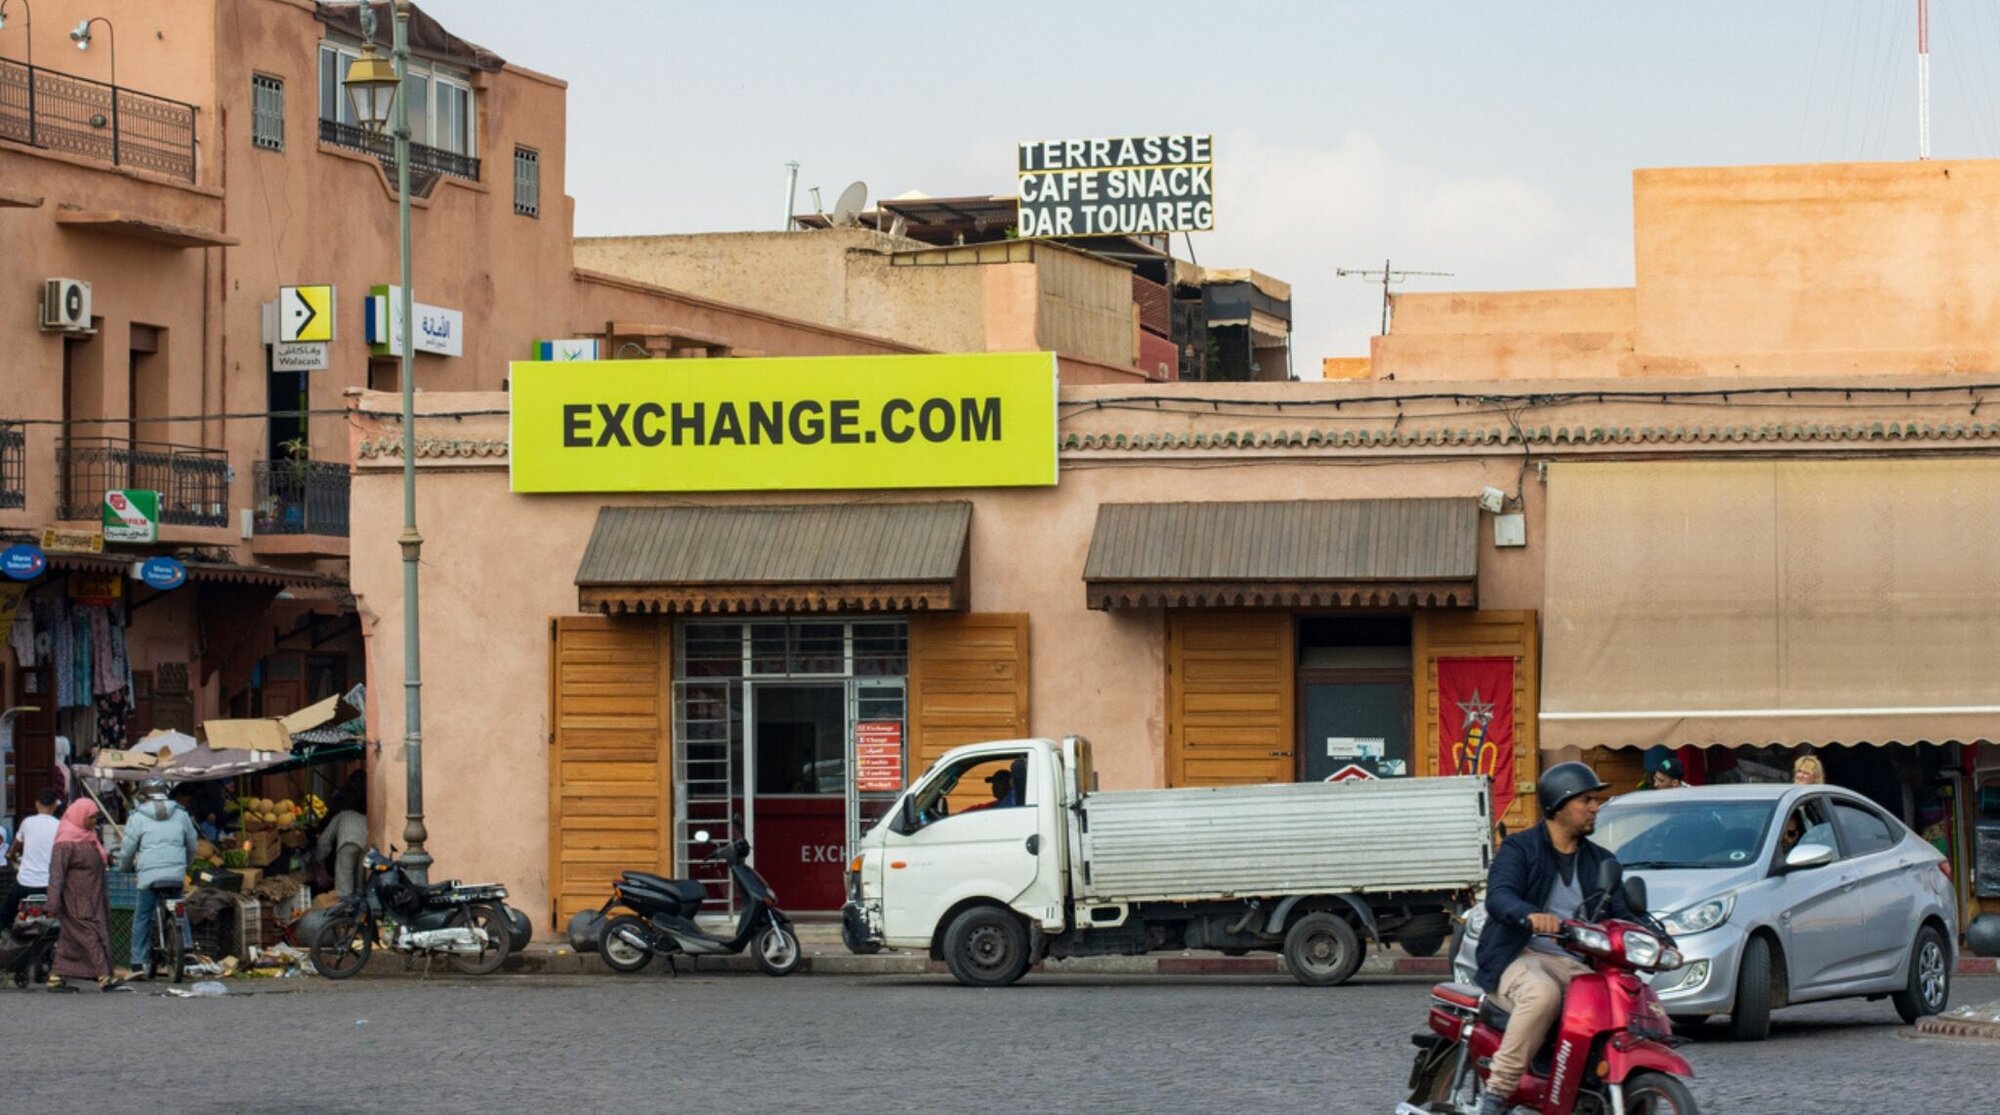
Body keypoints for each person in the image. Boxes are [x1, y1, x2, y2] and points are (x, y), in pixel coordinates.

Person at [1472, 762, 1635, 1115]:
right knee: (1541, 994)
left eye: (1597, 800)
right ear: (1559, 806)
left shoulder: (1601, 860)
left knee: (1617, 999)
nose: (1595, 808)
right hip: (1518, 954)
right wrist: (1528, 915)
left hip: (1573, 961)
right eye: (1587, 800)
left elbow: (1622, 913)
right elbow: (1499, 896)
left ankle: (1591, 1084)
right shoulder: (1519, 849)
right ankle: (1497, 1096)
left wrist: (1657, 936)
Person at [117, 778, 199, 978]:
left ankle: (137, 963)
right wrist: (184, 866)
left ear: (144, 794)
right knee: (179, 906)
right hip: (176, 873)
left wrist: (124, 867)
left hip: (149, 876)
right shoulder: (181, 814)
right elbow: (193, 845)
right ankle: (186, 947)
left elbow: (128, 850)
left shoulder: (137, 817)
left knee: (143, 916)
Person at [45, 798, 121, 991]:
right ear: (80, 816)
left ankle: (55, 977)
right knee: (90, 935)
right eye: (91, 817)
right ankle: (104, 976)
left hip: (94, 898)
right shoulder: (65, 843)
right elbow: (57, 874)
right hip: (76, 900)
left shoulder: (89, 837)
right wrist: (52, 904)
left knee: (70, 939)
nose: (94, 821)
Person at [2, 788, 62, 930]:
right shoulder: (60, 825)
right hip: (48, 886)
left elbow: (14, 848)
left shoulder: (27, 822)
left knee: (5, 913)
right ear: (54, 805)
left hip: (24, 883)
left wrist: (10, 856)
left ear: (37, 804)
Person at [316, 789, 367, 899]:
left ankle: (345, 909)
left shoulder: (341, 815)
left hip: (347, 844)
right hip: (364, 846)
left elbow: (325, 839)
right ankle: (360, 910)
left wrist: (319, 858)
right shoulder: (364, 817)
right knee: (360, 883)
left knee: (344, 884)